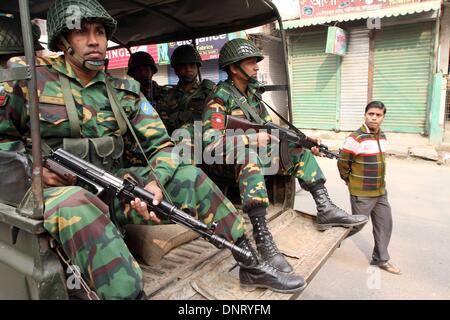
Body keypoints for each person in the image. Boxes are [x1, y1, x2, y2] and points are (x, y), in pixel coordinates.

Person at [0, 0, 306, 299]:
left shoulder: (124, 90)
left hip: (108, 183)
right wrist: (33, 171)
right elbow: (4, 144)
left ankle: (248, 259)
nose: (94, 41)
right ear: (62, 40)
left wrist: (154, 183)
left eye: (101, 32)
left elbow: (162, 145)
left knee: (187, 175)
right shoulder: (30, 82)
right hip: (50, 192)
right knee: (78, 204)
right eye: (82, 33)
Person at [202, 38, 368, 273]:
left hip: (248, 154)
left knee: (296, 150)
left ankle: (325, 209)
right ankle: (262, 239)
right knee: (248, 156)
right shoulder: (219, 97)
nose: (257, 67)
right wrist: (250, 139)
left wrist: (302, 140)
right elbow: (210, 143)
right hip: (222, 161)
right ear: (233, 67)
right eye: (251, 62)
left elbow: (270, 130)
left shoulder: (253, 95)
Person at [337, 101, 401, 275]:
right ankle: (329, 239)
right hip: (362, 192)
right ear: (365, 115)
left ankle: (381, 259)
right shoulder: (355, 138)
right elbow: (343, 163)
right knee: (357, 225)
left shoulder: (382, 136)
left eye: (378, 115)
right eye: (370, 114)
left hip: (380, 191)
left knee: (385, 223)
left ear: (383, 117)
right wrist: (349, 181)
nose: (374, 117)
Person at [156, 45, 215, 137]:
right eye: (183, 66)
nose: (188, 69)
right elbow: (161, 126)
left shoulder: (209, 92)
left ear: (198, 67)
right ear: (175, 70)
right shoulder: (167, 96)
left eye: (192, 65)